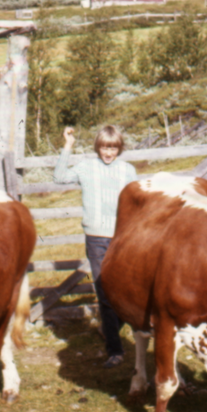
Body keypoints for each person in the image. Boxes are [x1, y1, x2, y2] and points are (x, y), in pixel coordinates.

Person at [54, 125, 138, 367]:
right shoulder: (86, 168)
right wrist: (68, 146)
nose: (108, 152)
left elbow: (137, 201)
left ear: (119, 148)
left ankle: (108, 328)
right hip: (96, 239)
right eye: (104, 147)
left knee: (125, 290)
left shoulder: (128, 171)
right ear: (97, 147)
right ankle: (115, 351)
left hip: (123, 239)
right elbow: (59, 177)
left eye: (112, 147)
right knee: (105, 293)